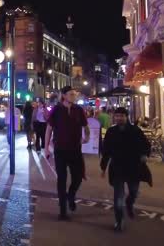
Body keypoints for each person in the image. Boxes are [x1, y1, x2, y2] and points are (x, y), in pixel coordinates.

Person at [100, 107, 151, 231]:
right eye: (116, 116)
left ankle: (129, 202)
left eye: (121, 116)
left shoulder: (135, 130)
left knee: (133, 191)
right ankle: (119, 221)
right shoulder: (111, 132)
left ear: (126, 117)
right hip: (117, 168)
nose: (118, 118)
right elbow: (106, 150)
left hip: (133, 167)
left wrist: (144, 155)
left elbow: (145, 144)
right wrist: (103, 167)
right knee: (118, 197)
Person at [45, 86, 90, 221]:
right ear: (64, 96)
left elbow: (85, 126)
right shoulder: (57, 110)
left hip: (75, 150)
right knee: (62, 180)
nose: (73, 96)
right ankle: (63, 211)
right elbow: (49, 129)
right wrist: (46, 147)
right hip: (60, 150)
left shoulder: (79, 110)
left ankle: (71, 195)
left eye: (74, 94)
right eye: (71, 94)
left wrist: (87, 137)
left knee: (77, 178)